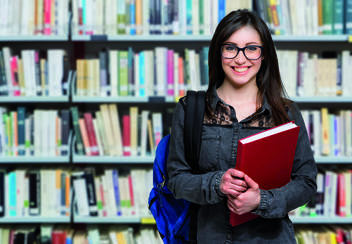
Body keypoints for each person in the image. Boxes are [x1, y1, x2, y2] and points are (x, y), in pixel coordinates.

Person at [167, 9, 317, 244]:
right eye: (230, 48)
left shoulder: (285, 113)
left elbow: (306, 183)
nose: (240, 58)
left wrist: (261, 201)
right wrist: (217, 183)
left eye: (251, 48)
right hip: (210, 237)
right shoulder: (191, 109)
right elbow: (176, 180)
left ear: (264, 54)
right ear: (218, 52)